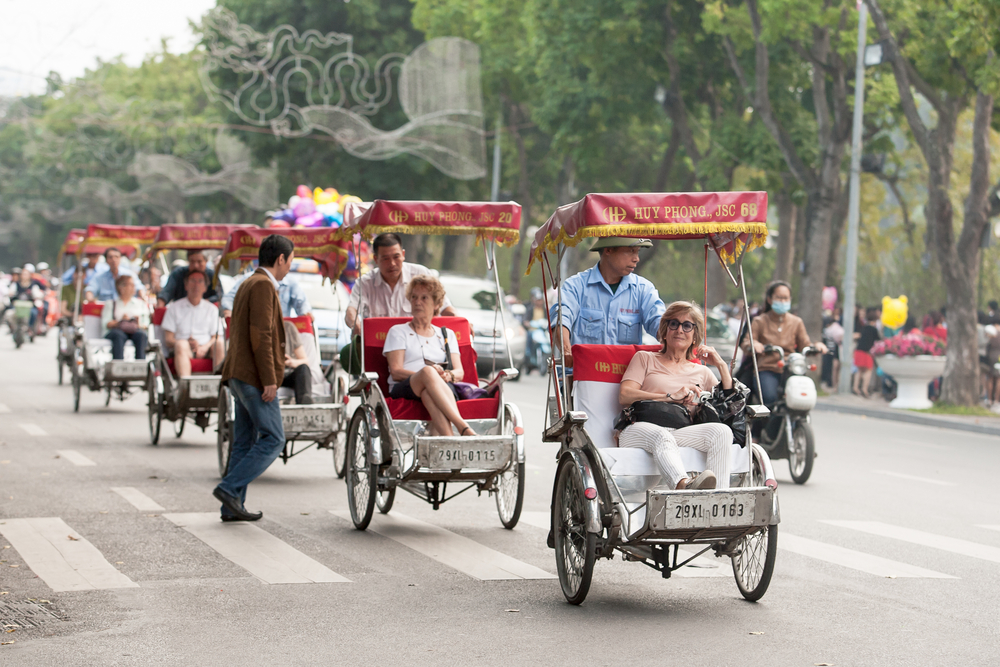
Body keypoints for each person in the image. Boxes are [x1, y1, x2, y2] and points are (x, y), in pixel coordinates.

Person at [214, 235, 295, 522]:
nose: (289, 268)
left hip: (238, 373)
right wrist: (269, 379)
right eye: (290, 261)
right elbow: (261, 334)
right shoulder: (262, 284)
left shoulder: (249, 281)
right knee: (274, 438)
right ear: (281, 259)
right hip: (252, 376)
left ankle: (231, 506)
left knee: (245, 441)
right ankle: (228, 488)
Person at [617, 302, 734, 490]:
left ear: (695, 336)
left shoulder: (702, 372)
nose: (680, 329)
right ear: (665, 331)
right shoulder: (645, 358)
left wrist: (720, 365)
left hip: (679, 431)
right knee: (662, 435)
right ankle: (683, 486)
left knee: (722, 433)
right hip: (638, 428)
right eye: (674, 324)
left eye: (687, 325)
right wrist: (670, 396)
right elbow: (625, 395)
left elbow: (728, 405)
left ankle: (717, 501)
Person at [550, 237, 665, 368]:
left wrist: (674, 341)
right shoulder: (575, 286)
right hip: (583, 376)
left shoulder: (643, 289)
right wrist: (566, 351)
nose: (636, 258)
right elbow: (561, 319)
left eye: (637, 252)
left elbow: (658, 322)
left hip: (626, 379)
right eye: (631, 251)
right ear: (608, 250)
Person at [383, 274, 474, 437]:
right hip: (405, 386)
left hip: (442, 387)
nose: (417, 302)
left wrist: (447, 375)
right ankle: (463, 427)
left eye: (424, 298)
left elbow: (459, 372)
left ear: (437, 304)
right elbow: (396, 371)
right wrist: (429, 375)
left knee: (428, 391)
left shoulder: (447, 334)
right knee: (427, 372)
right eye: (414, 297)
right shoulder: (398, 331)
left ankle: (450, 441)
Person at [741, 280, 827, 407]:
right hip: (767, 368)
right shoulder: (760, 321)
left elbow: (805, 344)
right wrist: (754, 345)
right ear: (770, 299)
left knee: (800, 400)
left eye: (785, 298)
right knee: (769, 400)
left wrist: (817, 346)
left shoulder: (796, 322)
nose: (782, 301)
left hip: (790, 368)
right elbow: (746, 342)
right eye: (779, 298)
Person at [345, 233, 456, 330]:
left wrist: (462, 322)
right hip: (377, 344)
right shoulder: (365, 283)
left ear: (403, 255)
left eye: (396, 257)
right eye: (385, 258)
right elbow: (351, 310)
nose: (392, 263)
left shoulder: (421, 274)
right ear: (375, 259)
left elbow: (445, 307)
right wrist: (357, 326)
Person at [161, 270, 223, 377]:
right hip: (184, 349)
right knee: (181, 345)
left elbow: (216, 336)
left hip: (206, 349)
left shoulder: (212, 309)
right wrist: (185, 343)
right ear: (186, 286)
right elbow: (168, 339)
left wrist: (204, 347)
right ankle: (186, 386)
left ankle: (219, 383)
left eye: (200, 281)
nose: (196, 285)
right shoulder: (174, 308)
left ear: (205, 287)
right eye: (193, 281)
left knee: (220, 343)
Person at [220, 264, 312, 320]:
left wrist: (305, 313)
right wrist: (230, 312)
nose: (289, 266)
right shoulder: (248, 280)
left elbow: (302, 303)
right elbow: (228, 298)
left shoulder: (290, 282)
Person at [101, 275, 149, 360]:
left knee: (141, 335)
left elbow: (146, 323)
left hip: (134, 330)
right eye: (131, 285)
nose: (134, 287)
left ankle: (140, 366)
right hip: (117, 331)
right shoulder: (111, 304)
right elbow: (106, 323)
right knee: (118, 335)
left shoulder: (140, 303)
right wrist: (121, 321)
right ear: (121, 287)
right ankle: (118, 365)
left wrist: (137, 323)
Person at [281, 319, 313, 404]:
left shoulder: (288, 327)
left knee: (303, 368)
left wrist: (291, 362)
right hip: (268, 374)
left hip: (287, 373)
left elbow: (305, 361)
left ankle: (304, 401)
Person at [852, 307, 881, 398]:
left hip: (858, 350)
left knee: (859, 370)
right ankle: (864, 389)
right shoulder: (874, 330)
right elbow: (878, 341)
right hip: (867, 352)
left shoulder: (863, 327)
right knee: (868, 370)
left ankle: (855, 387)